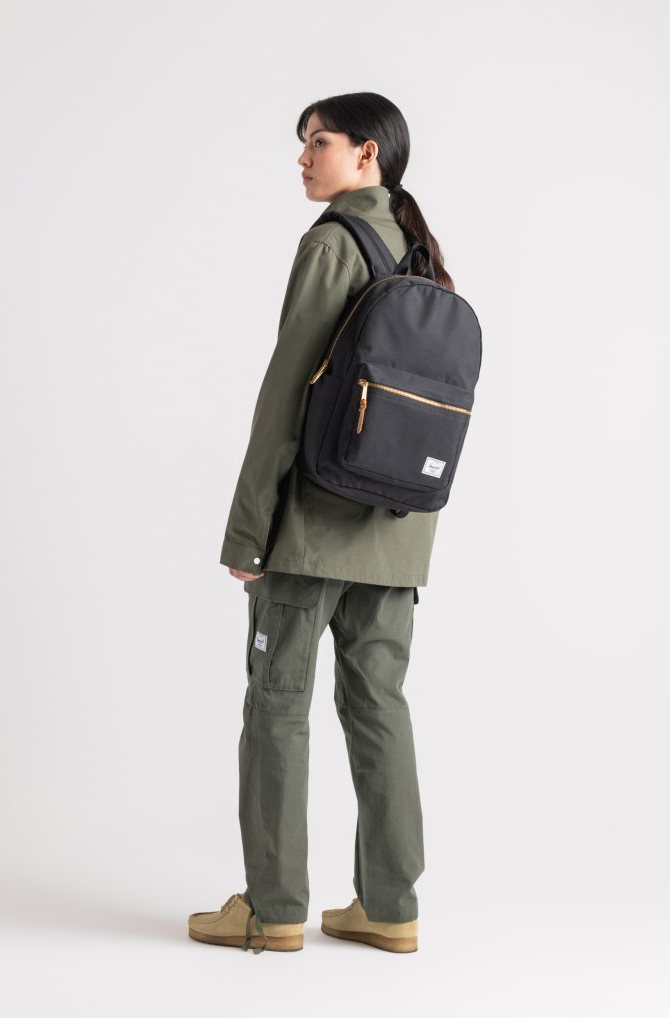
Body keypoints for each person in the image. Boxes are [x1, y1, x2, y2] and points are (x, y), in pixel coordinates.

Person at [188, 92, 456, 955]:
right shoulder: (420, 249)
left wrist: (248, 529)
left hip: (313, 526)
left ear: (368, 154)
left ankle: (273, 911)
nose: (303, 158)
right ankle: (390, 905)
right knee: (380, 707)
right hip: (400, 528)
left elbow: (286, 393)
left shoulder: (334, 243)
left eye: (319, 142)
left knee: (278, 706)